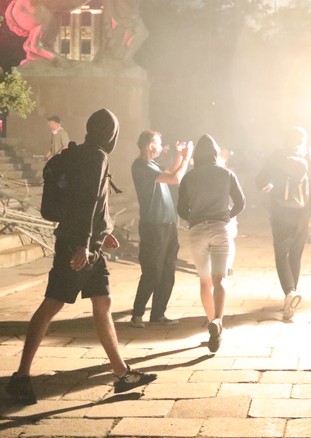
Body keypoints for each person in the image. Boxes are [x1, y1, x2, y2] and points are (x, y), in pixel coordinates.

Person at [6, 109, 156, 405]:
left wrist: (102, 233)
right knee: (52, 303)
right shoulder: (97, 157)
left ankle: (121, 373)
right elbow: (87, 201)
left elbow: (90, 204)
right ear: (111, 133)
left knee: (103, 302)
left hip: (87, 243)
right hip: (78, 245)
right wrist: (84, 244)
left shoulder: (80, 154)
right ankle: (21, 376)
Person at [177, 134, 246, 353]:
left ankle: (211, 323)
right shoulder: (226, 174)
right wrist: (227, 216)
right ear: (216, 153)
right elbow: (241, 202)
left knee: (204, 282)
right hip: (220, 229)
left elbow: (181, 209)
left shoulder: (189, 177)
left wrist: (194, 217)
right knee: (220, 279)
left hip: (197, 231)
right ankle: (218, 320)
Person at [130, 131, 193, 327]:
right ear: (150, 145)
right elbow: (175, 178)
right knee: (152, 270)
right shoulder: (140, 166)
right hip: (153, 225)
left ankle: (158, 314)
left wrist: (180, 156)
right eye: (158, 143)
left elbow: (171, 171)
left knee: (168, 271)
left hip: (168, 224)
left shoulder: (153, 165)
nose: (160, 146)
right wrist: (187, 157)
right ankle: (137, 314)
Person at [256, 127, 311, 320]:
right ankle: (292, 294)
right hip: (302, 213)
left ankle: (289, 292)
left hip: (281, 212)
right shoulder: (308, 156)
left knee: (282, 254)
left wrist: (268, 184)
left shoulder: (277, 156)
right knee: (296, 255)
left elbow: (261, 178)